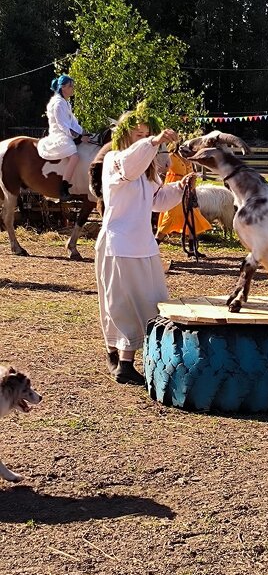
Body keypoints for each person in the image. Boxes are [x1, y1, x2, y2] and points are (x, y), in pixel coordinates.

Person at [94, 106, 196, 386]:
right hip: (119, 245)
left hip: (143, 245)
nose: (145, 139)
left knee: (153, 301)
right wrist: (154, 141)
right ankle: (123, 362)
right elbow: (130, 164)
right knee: (122, 303)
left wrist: (181, 187)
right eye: (138, 134)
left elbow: (157, 202)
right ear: (125, 135)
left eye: (147, 134)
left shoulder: (147, 171)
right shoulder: (115, 160)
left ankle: (127, 357)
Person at [37, 74, 90, 201]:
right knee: (75, 157)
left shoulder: (66, 103)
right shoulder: (58, 103)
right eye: (70, 86)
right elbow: (62, 126)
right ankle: (63, 187)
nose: (73, 88)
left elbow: (73, 123)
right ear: (63, 88)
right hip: (59, 135)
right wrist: (78, 138)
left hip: (66, 133)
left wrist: (83, 132)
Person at [155, 144, 211, 256]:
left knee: (192, 217)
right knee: (170, 217)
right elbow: (162, 171)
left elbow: (193, 176)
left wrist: (193, 192)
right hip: (174, 191)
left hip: (188, 192)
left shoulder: (189, 159)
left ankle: (192, 249)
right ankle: (153, 246)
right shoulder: (170, 157)